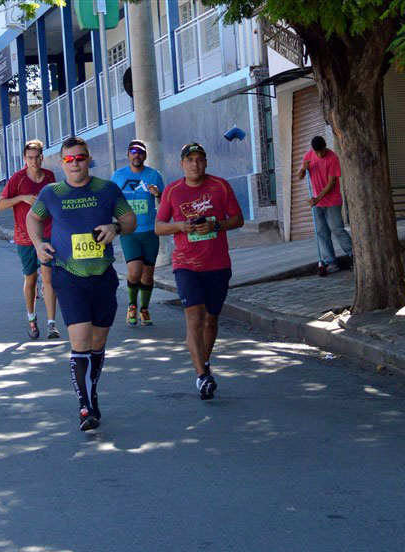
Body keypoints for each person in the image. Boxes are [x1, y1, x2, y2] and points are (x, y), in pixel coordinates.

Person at [26, 137, 136, 430]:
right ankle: (85, 407)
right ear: (62, 163)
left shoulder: (106, 189)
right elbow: (32, 218)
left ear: (89, 159)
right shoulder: (52, 193)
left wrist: (115, 226)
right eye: (69, 159)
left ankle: (91, 391)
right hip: (68, 275)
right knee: (80, 340)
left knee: (97, 343)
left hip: (102, 274)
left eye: (80, 158)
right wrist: (38, 243)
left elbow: (130, 220)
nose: (75, 163)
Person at [155, 142, 244, 399]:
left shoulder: (220, 186)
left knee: (211, 320)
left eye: (199, 159)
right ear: (181, 164)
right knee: (194, 318)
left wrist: (215, 225)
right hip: (186, 265)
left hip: (217, 264)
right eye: (190, 159)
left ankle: (203, 363)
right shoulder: (172, 191)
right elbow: (159, 227)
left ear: (205, 162)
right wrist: (180, 226)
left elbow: (237, 219)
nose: (195, 164)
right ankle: (202, 376)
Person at [0, 140, 59, 339]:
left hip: (47, 233)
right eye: (30, 158)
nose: (34, 161)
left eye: (37, 157)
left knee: (49, 278)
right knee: (31, 278)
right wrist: (22, 198)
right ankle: (31, 318)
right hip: (25, 237)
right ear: (25, 159)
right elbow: (0, 205)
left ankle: (51, 323)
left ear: (42, 157)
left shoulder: (49, 176)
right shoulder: (18, 178)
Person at [112, 139, 165, 326]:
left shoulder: (154, 175)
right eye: (133, 152)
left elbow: (164, 202)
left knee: (148, 275)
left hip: (149, 231)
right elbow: (110, 201)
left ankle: (144, 309)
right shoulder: (118, 176)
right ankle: (132, 305)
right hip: (129, 231)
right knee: (135, 271)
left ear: (145, 155)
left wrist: (158, 194)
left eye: (140, 152)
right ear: (128, 155)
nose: (137, 155)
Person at [297, 136, 352, 276]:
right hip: (317, 203)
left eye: (322, 151)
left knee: (337, 229)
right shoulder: (308, 156)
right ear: (313, 150)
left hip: (332, 202)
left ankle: (354, 255)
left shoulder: (332, 158)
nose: (320, 154)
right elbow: (299, 176)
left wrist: (318, 198)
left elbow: (331, 183)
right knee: (321, 233)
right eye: (317, 152)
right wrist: (303, 169)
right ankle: (330, 262)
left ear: (325, 146)